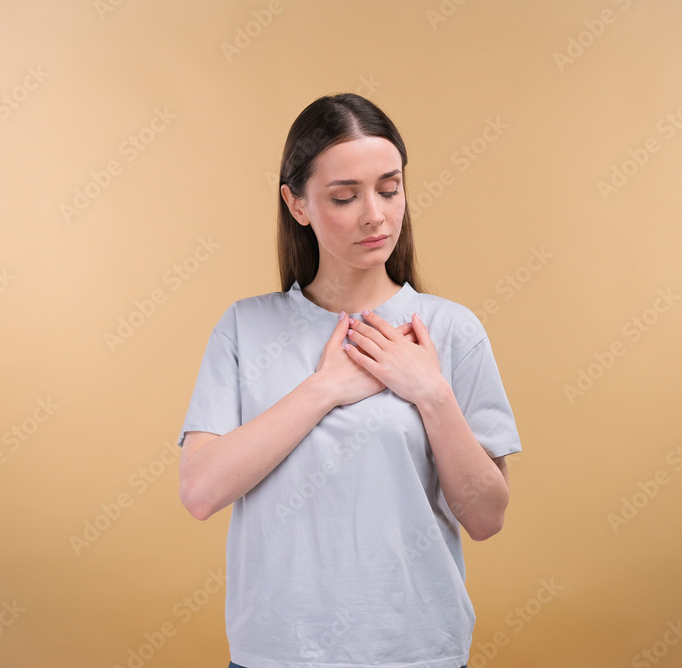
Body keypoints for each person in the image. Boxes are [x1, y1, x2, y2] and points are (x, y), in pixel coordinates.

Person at [177, 93, 522, 668]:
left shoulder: (450, 330)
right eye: (345, 196)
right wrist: (324, 389)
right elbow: (200, 492)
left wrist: (432, 393)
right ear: (297, 204)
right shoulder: (245, 328)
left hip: (416, 653)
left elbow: (487, 518)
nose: (375, 215)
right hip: (276, 654)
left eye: (390, 189)